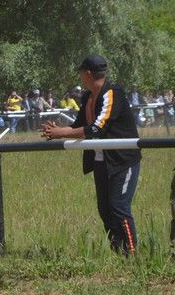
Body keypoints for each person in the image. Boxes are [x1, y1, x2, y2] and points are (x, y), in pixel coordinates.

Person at [41, 54, 140, 255]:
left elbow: (97, 128)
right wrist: (60, 130)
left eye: (80, 73)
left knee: (118, 207)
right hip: (101, 161)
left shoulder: (113, 93)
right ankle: (119, 253)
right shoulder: (87, 97)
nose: (80, 77)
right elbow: (79, 125)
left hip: (123, 160)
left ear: (87, 73)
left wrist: (63, 133)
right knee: (105, 210)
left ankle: (132, 253)